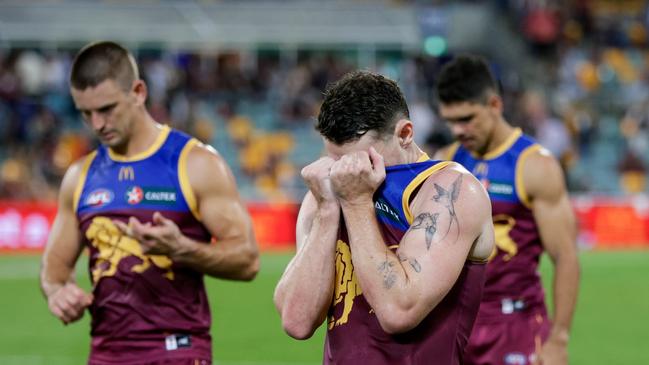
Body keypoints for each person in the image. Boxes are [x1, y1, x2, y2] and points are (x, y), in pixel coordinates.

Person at [39, 41, 259, 365]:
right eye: (85, 113)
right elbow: (54, 272)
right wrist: (58, 293)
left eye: (107, 109)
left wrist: (183, 248)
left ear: (139, 92)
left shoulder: (195, 163)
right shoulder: (80, 177)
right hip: (105, 354)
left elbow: (247, 259)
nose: (97, 124)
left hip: (178, 350)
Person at [274, 71, 495, 364]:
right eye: (337, 160)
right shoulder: (327, 191)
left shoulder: (451, 191)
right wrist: (327, 212)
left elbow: (398, 312)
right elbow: (297, 322)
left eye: (361, 160)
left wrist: (356, 203)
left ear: (404, 134)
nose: (347, 172)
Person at [434, 55, 580, 365]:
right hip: (455, 325)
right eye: (450, 120)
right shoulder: (445, 161)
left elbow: (565, 256)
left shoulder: (535, 166)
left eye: (467, 118)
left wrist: (560, 338)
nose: (458, 129)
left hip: (517, 325)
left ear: (495, 105)